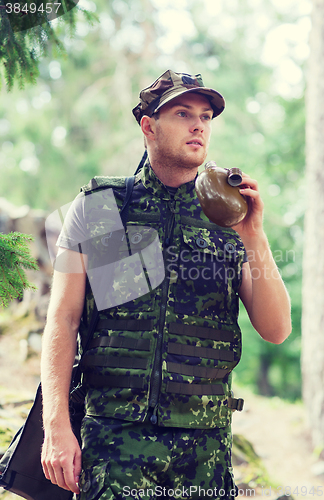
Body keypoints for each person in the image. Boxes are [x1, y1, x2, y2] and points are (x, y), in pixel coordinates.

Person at [41, 70, 292, 500]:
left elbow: (276, 328)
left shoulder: (230, 216)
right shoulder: (102, 205)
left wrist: (255, 235)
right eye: (183, 113)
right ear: (148, 125)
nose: (199, 125)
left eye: (206, 116)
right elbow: (62, 320)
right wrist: (56, 427)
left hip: (204, 449)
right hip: (114, 441)